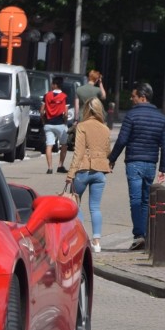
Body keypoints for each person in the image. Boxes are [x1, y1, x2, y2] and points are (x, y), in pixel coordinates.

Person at [108, 82, 165, 251]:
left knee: (135, 200)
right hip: (151, 163)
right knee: (145, 200)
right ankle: (145, 234)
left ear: (143, 97)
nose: (131, 98)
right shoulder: (161, 118)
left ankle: (139, 235)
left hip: (134, 162)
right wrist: (163, 168)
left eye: (134, 96)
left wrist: (111, 159)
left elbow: (122, 140)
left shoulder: (131, 116)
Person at [65, 99, 111, 254]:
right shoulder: (105, 128)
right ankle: (97, 242)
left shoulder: (82, 126)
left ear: (86, 110)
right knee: (95, 207)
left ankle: (80, 238)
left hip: (83, 170)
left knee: (75, 203)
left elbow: (78, 153)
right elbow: (107, 151)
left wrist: (70, 173)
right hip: (100, 172)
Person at [42, 76, 70, 174]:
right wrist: (65, 122)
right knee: (64, 145)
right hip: (60, 124)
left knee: (49, 145)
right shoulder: (64, 96)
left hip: (48, 124)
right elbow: (66, 113)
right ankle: (60, 165)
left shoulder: (46, 95)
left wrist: (43, 120)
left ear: (54, 84)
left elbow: (42, 111)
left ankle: (49, 168)